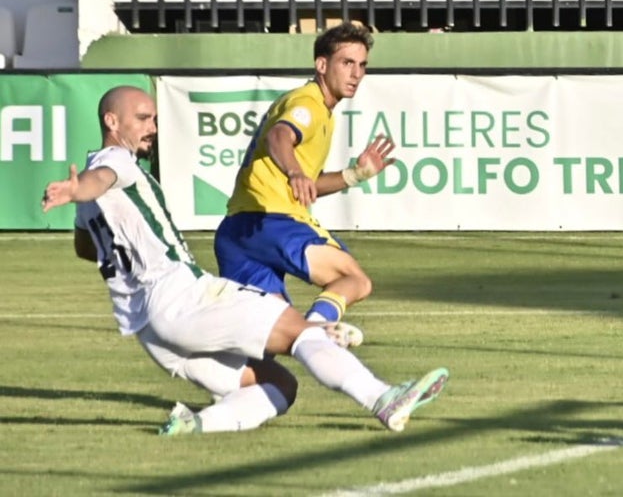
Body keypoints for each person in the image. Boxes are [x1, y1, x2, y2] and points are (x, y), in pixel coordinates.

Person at [44, 84, 447, 436]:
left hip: (150, 330)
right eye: (142, 118)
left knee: (278, 385)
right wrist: (81, 187)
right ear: (112, 122)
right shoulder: (117, 163)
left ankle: (195, 425)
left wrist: (80, 194)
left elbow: (86, 248)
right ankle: (382, 397)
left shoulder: (95, 193)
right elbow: (103, 178)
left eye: (153, 118)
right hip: (182, 297)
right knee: (298, 331)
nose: (152, 127)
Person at [215, 23, 395, 348]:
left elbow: (308, 184)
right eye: (347, 63)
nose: (356, 73)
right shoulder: (308, 104)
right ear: (322, 65)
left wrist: (355, 174)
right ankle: (315, 333)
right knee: (354, 280)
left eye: (362, 65)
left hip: (237, 231)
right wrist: (295, 171)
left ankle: (225, 393)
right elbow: (279, 136)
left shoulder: (321, 111)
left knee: (267, 344)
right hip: (273, 221)